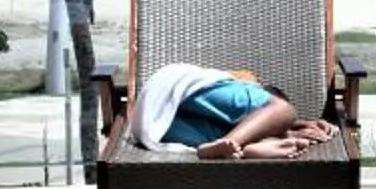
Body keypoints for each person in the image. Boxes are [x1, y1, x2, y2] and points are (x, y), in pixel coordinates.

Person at [126, 61, 339, 160]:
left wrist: (291, 128)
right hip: (170, 90)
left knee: (225, 140)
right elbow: (276, 111)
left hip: (152, 130)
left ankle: (248, 147)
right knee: (285, 110)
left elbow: (260, 120)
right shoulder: (246, 85)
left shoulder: (228, 125)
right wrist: (291, 120)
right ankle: (252, 145)